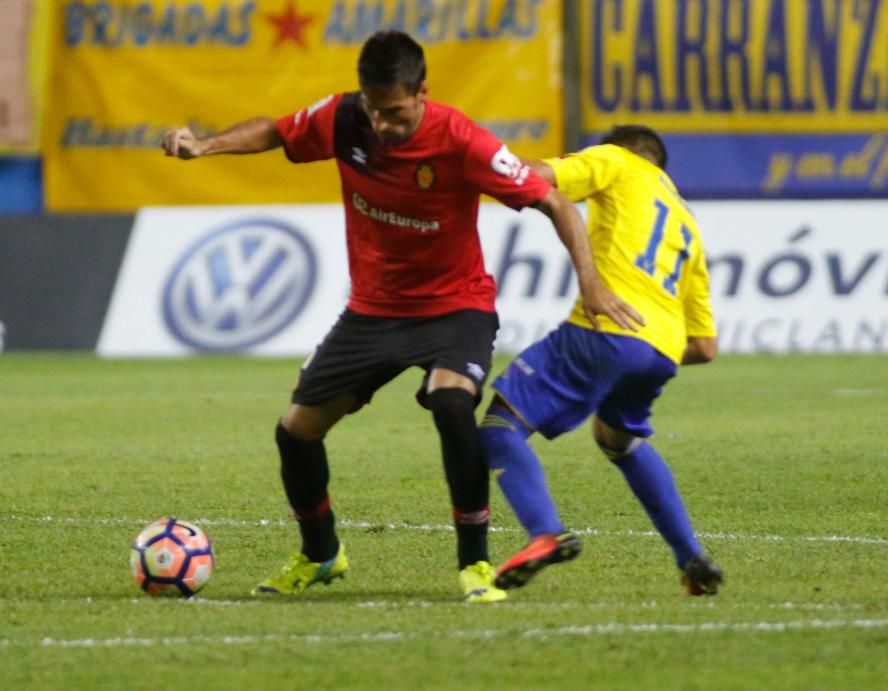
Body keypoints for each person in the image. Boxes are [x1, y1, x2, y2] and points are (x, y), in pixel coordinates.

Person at [161, 30, 641, 602]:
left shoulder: (464, 141)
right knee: (296, 432)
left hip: (455, 306)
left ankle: (475, 565)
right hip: (372, 311)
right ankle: (321, 554)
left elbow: (555, 201)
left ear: (421, 94)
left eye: (393, 112)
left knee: (450, 400)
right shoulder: (344, 118)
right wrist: (204, 146)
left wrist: (590, 282)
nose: (381, 125)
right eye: (372, 108)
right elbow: (276, 129)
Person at [478, 125, 724, 596]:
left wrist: (472, 167)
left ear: (626, 151)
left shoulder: (615, 160)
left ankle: (545, 532)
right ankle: (691, 558)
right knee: (618, 438)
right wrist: (643, 346)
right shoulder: (687, 225)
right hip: (660, 353)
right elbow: (705, 347)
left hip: (604, 330)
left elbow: (535, 175)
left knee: (499, 425)